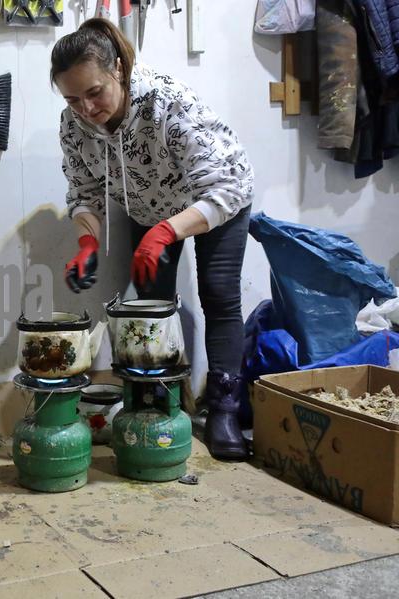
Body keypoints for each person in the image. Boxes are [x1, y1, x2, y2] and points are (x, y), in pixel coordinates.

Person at [52, 19, 254, 462]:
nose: (84, 108)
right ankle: (162, 399)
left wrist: (166, 232)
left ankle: (224, 409)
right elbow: (84, 192)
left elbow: (227, 188)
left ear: (118, 72)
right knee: (152, 305)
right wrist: (87, 243)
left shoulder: (168, 102)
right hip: (150, 208)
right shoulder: (73, 125)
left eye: (94, 93)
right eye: (71, 98)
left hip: (215, 200)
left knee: (218, 294)